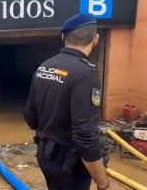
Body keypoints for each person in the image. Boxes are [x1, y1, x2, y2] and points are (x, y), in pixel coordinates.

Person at [24, 14, 110, 190]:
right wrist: (102, 182)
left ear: (63, 37)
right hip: (69, 166)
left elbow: (30, 116)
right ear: (96, 39)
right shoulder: (85, 74)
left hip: (45, 156)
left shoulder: (44, 66)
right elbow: (85, 135)